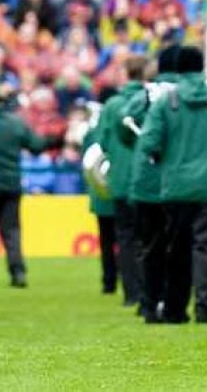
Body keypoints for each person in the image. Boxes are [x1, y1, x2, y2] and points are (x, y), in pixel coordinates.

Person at [137, 46, 207, 324]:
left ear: (177, 69)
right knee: (205, 246)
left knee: (177, 248)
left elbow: (148, 142)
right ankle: (206, 307)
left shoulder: (166, 103)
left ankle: (175, 310)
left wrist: (165, 157)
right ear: (202, 67)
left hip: (175, 186)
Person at [0, 90, 56, 288]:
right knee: (11, 232)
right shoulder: (16, 123)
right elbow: (36, 145)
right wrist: (55, 139)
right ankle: (18, 273)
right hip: (10, 184)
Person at [122, 45, 180, 322]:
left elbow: (126, 129)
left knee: (148, 246)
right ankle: (173, 302)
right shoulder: (195, 94)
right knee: (178, 246)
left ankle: (148, 302)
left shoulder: (145, 95)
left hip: (146, 181)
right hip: (179, 182)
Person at [97, 55, 147, 308]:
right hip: (147, 180)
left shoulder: (113, 105)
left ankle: (131, 294)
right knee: (149, 237)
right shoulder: (152, 100)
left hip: (120, 180)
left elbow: (102, 142)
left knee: (125, 239)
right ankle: (150, 290)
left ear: (126, 74)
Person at [81, 97, 118, 296]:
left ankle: (108, 281)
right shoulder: (121, 127)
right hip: (120, 191)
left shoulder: (93, 132)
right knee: (127, 239)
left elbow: (85, 156)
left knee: (106, 241)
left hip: (101, 192)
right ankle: (129, 279)